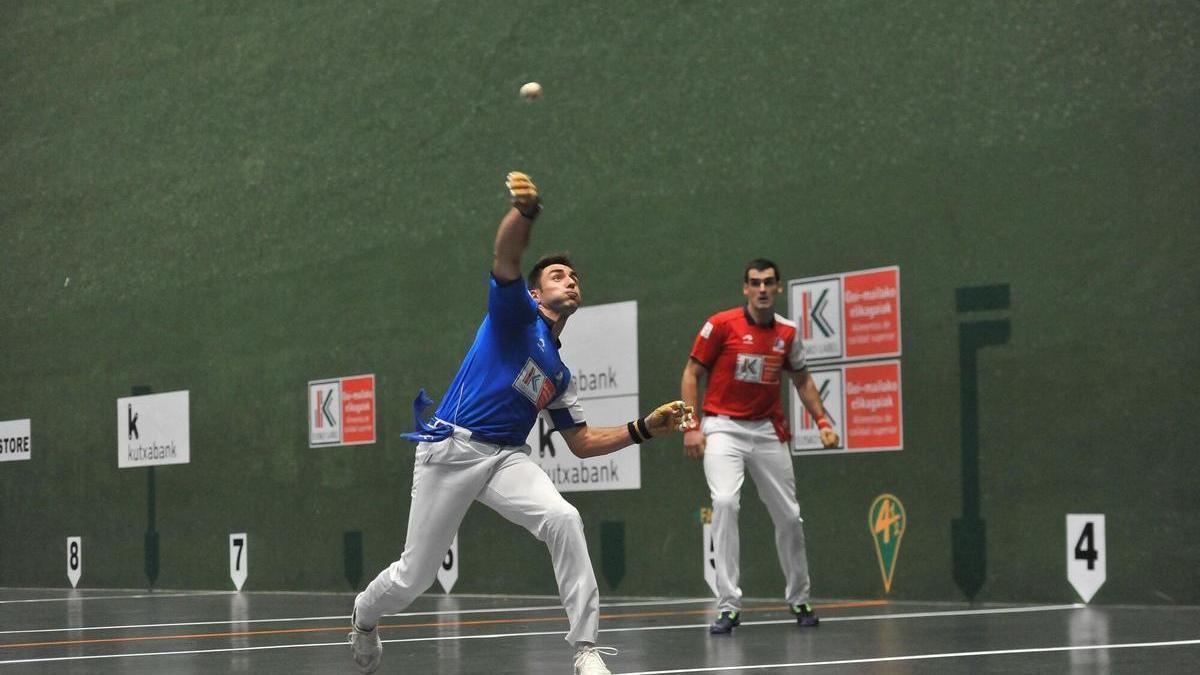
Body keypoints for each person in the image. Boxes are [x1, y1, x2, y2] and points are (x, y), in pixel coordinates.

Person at [348, 171, 693, 674]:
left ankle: (586, 649)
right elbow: (506, 257)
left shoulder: (558, 372)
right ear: (534, 295)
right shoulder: (514, 317)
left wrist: (644, 427)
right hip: (451, 450)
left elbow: (582, 442)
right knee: (414, 576)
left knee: (563, 519)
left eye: (573, 277)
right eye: (557, 276)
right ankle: (363, 615)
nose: (570, 281)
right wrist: (525, 212)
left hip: (505, 458)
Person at [680, 258, 839, 635]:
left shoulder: (787, 333)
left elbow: (802, 380)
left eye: (769, 282)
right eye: (755, 283)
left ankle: (799, 597)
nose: (763, 288)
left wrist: (823, 421)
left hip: (768, 431)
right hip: (721, 427)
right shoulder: (720, 325)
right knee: (724, 503)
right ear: (746, 289)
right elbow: (691, 373)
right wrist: (691, 426)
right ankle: (729, 605)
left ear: (778, 288)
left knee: (789, 515)